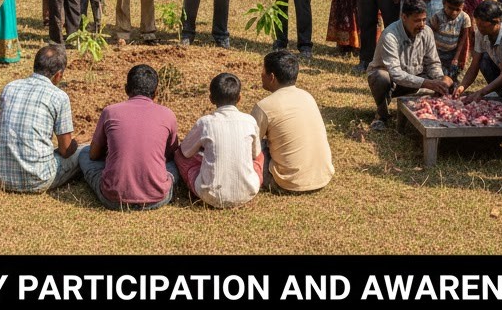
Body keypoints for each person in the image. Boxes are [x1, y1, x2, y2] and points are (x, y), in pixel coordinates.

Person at [78, 64, 180, 209]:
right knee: (177, 161)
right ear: (156, 92)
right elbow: (171, 155)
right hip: (156, 198)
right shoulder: (168, 114)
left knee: (84, 152)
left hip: (113, 198)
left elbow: (93, 155)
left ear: (126, 89)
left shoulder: (110, 112)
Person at [0, 44, 80, 192]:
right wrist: (77, 143)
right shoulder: (59, 96)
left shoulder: (10, 87)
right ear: (58, 75)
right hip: (38, 179)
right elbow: (66, 150)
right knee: (82, 153)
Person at [250, 50, 334, 192]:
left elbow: (249, 145)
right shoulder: (307, 96)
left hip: (287, 183)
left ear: (272, 77)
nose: (261, 75)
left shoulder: (264, 107)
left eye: (263, 71)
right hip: (322, 177)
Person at [367, 0, 454, 130]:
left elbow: (433, 63)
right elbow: (396, 74)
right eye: (417, 20)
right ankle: (381, 115)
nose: (422, 24)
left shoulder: (427, 31)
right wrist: (428, 83)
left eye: (424, 20)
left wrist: (440, 80)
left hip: (415, 78)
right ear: (404, 17)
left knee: (448, 82)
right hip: (392, 82)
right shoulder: (390, 35)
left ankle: (429, 112)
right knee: (381, 77)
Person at [177, 72, 263, 208]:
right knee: (260, 155)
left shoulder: (205, 123)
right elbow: (256, 155)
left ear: (211, 99)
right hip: (248, 192)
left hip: (209, 195)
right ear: (239, 98)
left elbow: (184, 152)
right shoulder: (249, 121)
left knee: (179, 156)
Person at [454, 0, 502, 101]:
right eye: (478, 25)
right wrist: (462, 86)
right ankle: (501, 94)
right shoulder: (481, 33)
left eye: (483, 26)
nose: (480, 29)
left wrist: (481, 92)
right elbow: (474, 65)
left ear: (497, 22)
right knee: (483, 59)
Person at [428, 0, 472, 79]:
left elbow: (463, 38)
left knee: (451, 76)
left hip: (452, 53)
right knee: (437, 74)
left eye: (458, 9)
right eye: (450, 8)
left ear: (462, 6)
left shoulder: (464, 18)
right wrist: (433, 55)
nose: (454, 12)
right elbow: (430, 35)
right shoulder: (437, 17)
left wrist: (456, 57)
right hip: (437, 52)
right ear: (444, 3)